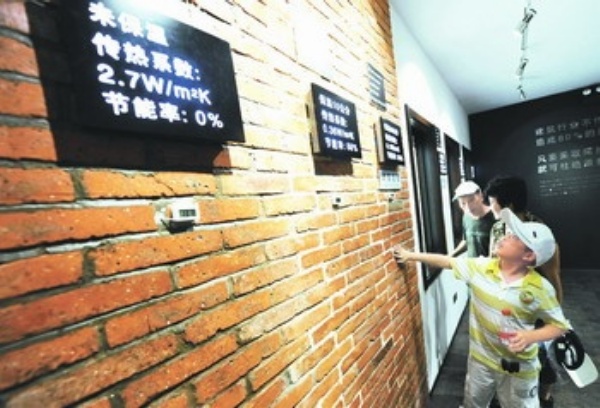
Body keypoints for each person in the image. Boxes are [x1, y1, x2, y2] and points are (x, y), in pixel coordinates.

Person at [393, 208, 569, 408]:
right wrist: (410, 255)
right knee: (473, 404)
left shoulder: (540, 288)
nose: (505, 236)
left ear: (528, 256)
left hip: (519, 369)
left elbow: (559, 326)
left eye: (514, 237)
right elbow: (447, 262)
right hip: (481, 361)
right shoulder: (481, 268)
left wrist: (530, 337)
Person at [484, 175, 563, 408]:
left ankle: (544, 399)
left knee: (542, 358)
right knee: (506, 352)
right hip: (504, 305)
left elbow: (553, 276)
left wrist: (555, 317)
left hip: (532, 306)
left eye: (493, 202)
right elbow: (491, 264)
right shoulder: (497, 229)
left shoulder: (538, 231)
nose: (490, 207)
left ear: (507, 205)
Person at [450, 180, 496, 258]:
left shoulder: (495, 216)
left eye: (471, 200)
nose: (468, 207)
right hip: (471, 264)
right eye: (463, 203)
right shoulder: (466, 217)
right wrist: (451, 255)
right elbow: (466, 241)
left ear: (481, 197)